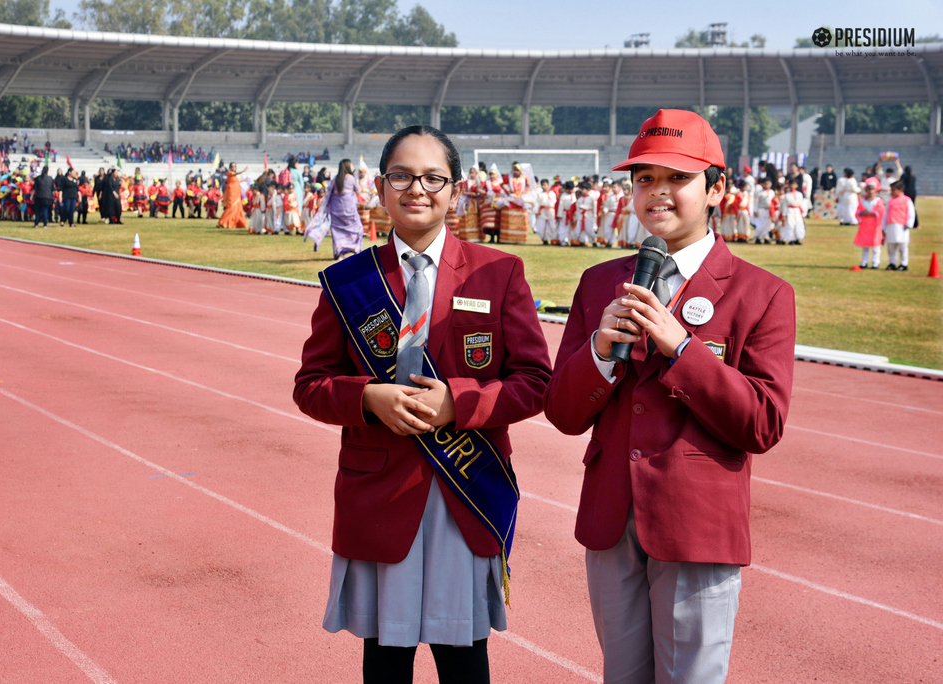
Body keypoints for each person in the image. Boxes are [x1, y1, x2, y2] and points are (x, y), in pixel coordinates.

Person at [544, 108, 796, 684]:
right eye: (644, 179)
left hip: (697, 526)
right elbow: (561, 412)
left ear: (717, 188)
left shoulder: (762, 293)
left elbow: (762, 423)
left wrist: (682, 350)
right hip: (611, 520)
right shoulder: (599, 282)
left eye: (677, 178)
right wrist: (602, 352)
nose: (657, 193)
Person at [294, 124, 552, 684]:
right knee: (385, 663)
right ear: (381, 189)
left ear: (455, 191)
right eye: (402, 176)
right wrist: (367, 397)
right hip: (380, 493)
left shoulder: (499, 272)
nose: (418, 189)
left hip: (466, 492)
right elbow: (310, 385)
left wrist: (459, 405)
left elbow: (535, 381)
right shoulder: (349, 281)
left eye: (433, 177)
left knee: (465, 662)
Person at [325, 158, 364, 259]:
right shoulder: (351, 178)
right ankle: (355, 249)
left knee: (337, 230)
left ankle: (339, 252)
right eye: (351, 164)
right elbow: (359, 191)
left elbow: (329, 192)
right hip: (349, 207)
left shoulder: (336, 178)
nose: (352, 166)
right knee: (357, 228)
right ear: (347, 166)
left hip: (336, 208)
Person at [883, 180, 915, 271]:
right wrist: (883, 227)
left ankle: (903, 264)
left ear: (901, 190)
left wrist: (908, 224)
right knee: (891, 247)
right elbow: (886, 215)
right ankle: (892, 263)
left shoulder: (906, 200)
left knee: (903, 247)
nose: (891, 192)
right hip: (891, 226)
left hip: (902, 227)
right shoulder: (890, 202)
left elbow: (911, 213)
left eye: (893, 190)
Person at [855, 181, 885, 269]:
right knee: (865, 245)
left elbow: (881, 211)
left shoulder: (878, 201)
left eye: (872, 189)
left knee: (876, 246)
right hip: (865, 226)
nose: (871, 191)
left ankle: (875, 263)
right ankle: (864, 262)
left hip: (875, 226)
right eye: (869, 189)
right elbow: (857, 211)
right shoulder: (862, 201)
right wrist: (861, 212)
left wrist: (872, 213)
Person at [218, 162, 249, 229]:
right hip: (232, 193)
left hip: (237, 193)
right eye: (232, 166)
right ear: (230, 167)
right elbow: (235, 174)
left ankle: (238, 223)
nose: (233, 167)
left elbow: (236, 182)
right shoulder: (230, 173)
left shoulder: (235, 177)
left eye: (235, 166)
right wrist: (243, 171)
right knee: (230, 208)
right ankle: (223, 222)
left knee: (238, 208)